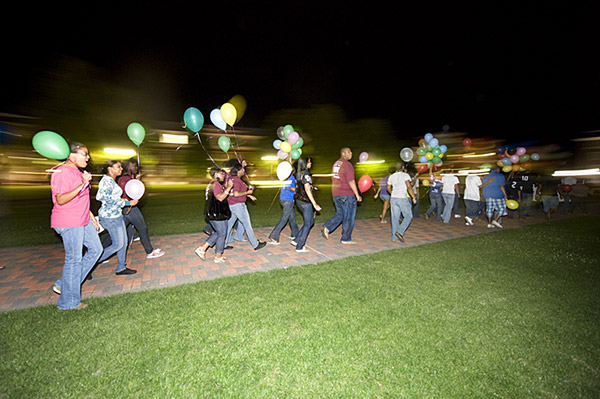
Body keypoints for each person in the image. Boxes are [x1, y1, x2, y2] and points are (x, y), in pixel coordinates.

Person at [50, 142, 103, 310]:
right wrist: (82, 184)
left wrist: (90, 215)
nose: (88, 157)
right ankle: (68, 303)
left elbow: (81, 200)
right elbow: (61, 199)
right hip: (69, 221)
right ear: (72, 156)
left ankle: (64, 284)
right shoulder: (62, 172)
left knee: (96, 249)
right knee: (74, 260)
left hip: (82, 219)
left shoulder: (76, 171)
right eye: (84, 154)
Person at [112, 158, 164, 259]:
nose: (136, 167)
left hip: (128, 207)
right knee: (142, 228)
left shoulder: (130, 178)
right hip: (129, 208)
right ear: (129, 166)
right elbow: (126, 193)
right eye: (134, 165)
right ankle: (149, 251)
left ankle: (102, 252)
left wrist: (137, 181)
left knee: (117, 231)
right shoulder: (124, 179)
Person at [96, 160, 138, 275]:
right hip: (110, 217)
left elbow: (112, 198)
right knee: (117, 244)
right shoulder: (106, 181)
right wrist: (128, 203)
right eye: (118, 167)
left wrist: (121, 200)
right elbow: (107, 200)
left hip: (116, 215)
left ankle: (121, 267)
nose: (121, 169)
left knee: (123, 243)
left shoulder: (111, 181)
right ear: (110, 169)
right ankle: (91, 262)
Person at [322, 147, 362, 244]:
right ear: (343, 153)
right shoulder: (347, 165)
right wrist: (357, 195)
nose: (351, 153)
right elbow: (351, 181)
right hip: (346, 194)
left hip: (336, 193)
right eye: (348, 152)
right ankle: (346, 238)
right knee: (349, 216)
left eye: (351, 151)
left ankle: (327, 227)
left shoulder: (336, 164)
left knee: (341, 213)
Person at [195, 168, 234, 263]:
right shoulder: (216, 184)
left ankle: (203, 249)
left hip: (217, 213)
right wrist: (229, 188)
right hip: (217, 213)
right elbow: (220, 198)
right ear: (216, 174)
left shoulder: (214, 184)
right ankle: (218, 256)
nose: (224, 175)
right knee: (222, 234)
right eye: (222, 173)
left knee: (220, 233)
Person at [225, 163, 266, 250]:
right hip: (238, 206)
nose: (244, 171)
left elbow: (234, 193)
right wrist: (248, 192)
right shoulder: (237, 180)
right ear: (239, 171)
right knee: (247, 224)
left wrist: (248, 196)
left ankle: (225, 242)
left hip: (231, 204)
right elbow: (236, 194)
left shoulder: (231, 178)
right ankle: (255, 244)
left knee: (229, 225)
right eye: (242, 169)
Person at [293, 157, 322, 252]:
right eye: (309, 162)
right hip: (305, 201)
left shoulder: (298, 174)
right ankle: (300, 246)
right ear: (305, 164)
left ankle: (297, 239)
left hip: (299, 200)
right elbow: (307, 189)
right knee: (308, 223)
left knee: (309, 222)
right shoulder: (306, 174)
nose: (311, 164)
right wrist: (314, 204)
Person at [387, 162, 417, 242]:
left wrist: (392, 193)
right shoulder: (405, 175)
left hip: (393, 198)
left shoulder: (391, 176)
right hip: (402, 198)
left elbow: (388, 188)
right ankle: (400, 231)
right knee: (408, 216)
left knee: (395, 217)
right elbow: (409, 187)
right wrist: (413, 197)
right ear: (403, 167)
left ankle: (394, 237)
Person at [268, 173, 299, 244]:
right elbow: (291, 188)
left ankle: (295, 234)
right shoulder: (292, 178)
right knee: (284, 219)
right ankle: (274, 236)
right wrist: (300, 191)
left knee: (292, 217)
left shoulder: (284, 176)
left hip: (283, 199)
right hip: (288, 200)